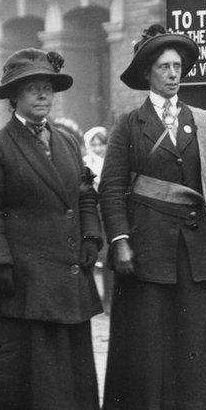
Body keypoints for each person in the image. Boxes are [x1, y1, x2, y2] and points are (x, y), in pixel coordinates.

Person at [99, 25, 206, 410]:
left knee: (193, 339)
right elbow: (112, 186)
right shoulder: (129, 124)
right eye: (164, 67)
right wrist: (120, 240)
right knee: (150, 339)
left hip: (196, 247)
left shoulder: (201, 121)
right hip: (147, 248)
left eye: (178, 66)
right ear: (148, 73)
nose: (173, 74)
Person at [0, 48, 102, 410]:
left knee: (58, 351)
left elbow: (84, 195)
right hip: (21, 268)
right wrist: (0, 261)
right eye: (32, 89)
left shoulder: (66, 142)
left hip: (62, 266)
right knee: (22, 354)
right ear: (15, 98)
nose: (42, 96)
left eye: (47, 88)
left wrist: (91, 237)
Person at [82, 126, 113, 310]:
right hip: (92, 210)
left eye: (100, 144)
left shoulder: (110, 162)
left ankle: (109, 299)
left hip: (106, 210)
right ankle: (92, 298)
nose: (97, 148)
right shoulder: (86, 163)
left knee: (108, 256)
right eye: (93, 144)